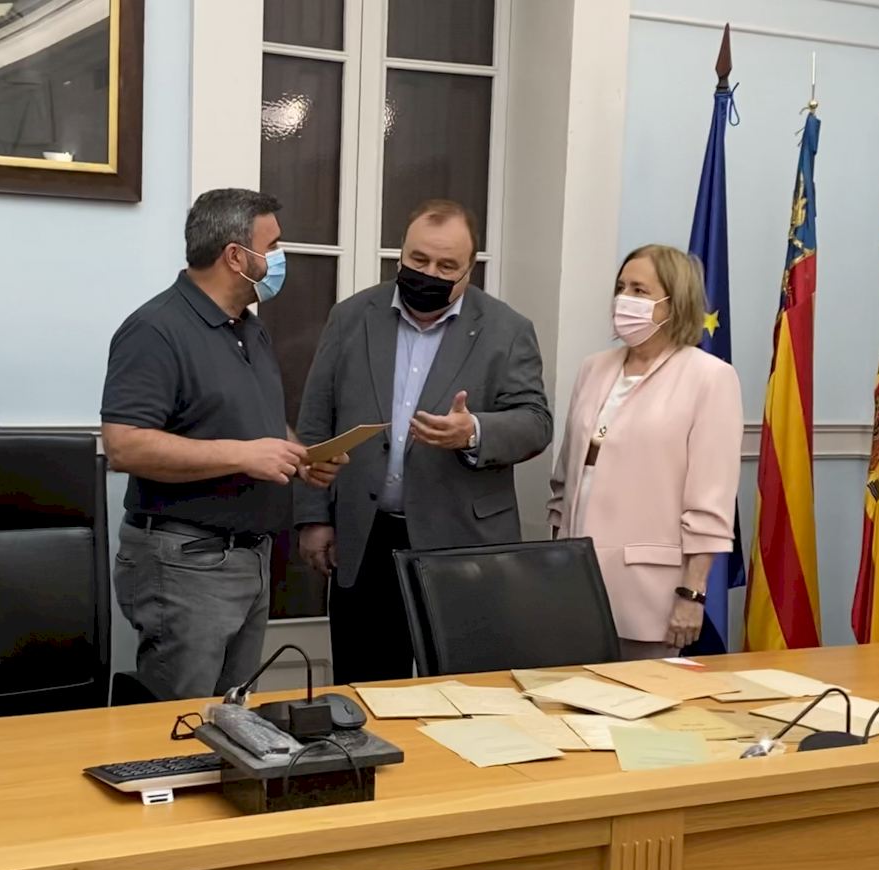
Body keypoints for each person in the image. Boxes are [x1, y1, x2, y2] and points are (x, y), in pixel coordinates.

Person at [295, 199, 553, 685]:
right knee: (366, 694)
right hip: (365, 538)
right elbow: (315, 422)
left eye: (446, 266)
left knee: (466, 694)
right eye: (418, 259)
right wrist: (313, 517)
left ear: (469, 270)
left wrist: (473, 431)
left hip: (463, 543)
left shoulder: (507, 329)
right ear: (400, 253)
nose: (429, 273)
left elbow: (535, 422)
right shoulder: (351, 317)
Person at [102, 188, 345, 701]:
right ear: (236, 256)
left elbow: (256, 422)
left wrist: (302, 459)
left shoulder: (250, 330)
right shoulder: (155, 329)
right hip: (186, 562)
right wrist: (243, 455)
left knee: (233, 718)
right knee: (179, 723)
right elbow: (124, 446)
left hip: (249, 558)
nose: (280, 258)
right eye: (272, 246)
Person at [548, 244, 743, 660]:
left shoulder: (709, 378)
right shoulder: (594, 368)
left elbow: (709, 506)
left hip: (651, 594)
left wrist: (692, 594)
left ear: (675, 301)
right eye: (621, 288)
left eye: (639, 290)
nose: (625, 299)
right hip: (573, 584)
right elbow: (566, 480)